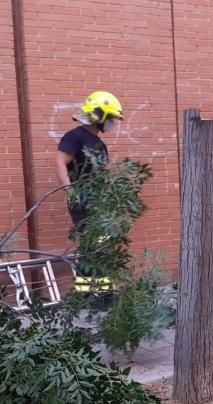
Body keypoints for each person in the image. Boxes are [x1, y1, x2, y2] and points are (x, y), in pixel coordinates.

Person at [54, 90, 124, 295]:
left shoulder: (99, 144)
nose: (113, 122)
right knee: (93, 245)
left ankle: (96, 292)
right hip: (83, 202)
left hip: (99, 202)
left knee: (100, 245)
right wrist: (70, 192)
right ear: (99, 116)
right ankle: (94, 294)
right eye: (111, 118)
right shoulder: (75, 137)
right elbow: (60, 162)